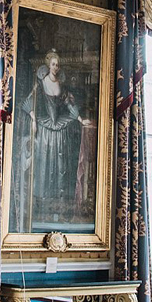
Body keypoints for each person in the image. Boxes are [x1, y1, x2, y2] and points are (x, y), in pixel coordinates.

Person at [16, 50, 94, 229]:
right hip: (45, 129)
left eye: (58, 65)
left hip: (59, 130)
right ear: (48, 65)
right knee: (45, 164)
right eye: (53, 64)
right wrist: (34, 119)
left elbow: (69, 103)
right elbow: (30, 101)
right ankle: (41, 206)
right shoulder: (41, 83)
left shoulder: (61, 85)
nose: (55, 67)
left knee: (60, 165)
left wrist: (81, 119)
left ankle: (60, 206)